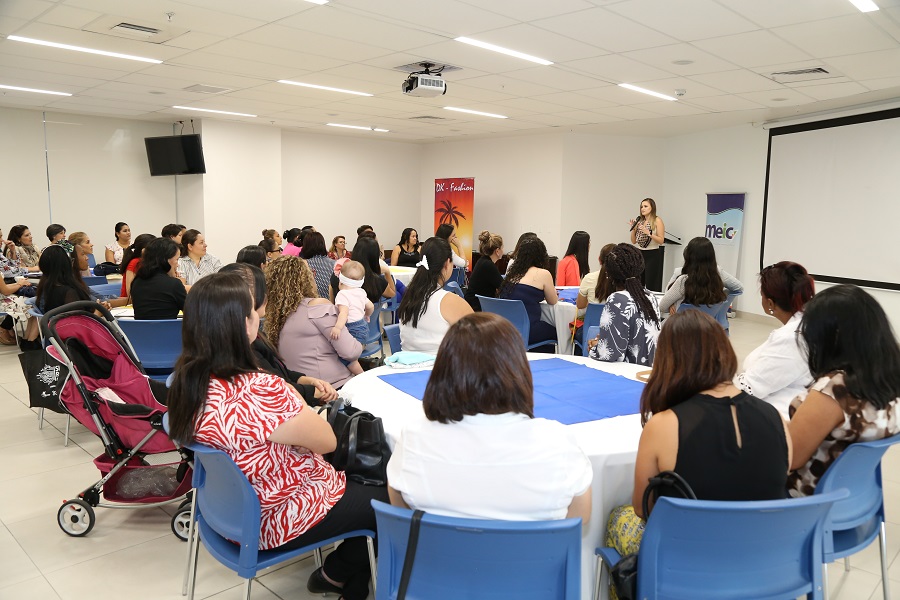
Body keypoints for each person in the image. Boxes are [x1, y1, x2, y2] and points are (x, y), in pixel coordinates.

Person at [166, 272, 386, 600]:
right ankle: (336, 573)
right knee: (388, 497)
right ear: (245, 325)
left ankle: (350, 583)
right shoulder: (261, 389)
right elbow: (327, 442)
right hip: (276, 516)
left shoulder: (186, 382)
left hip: (226, 511)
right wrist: (292, 395)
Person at [606, 310, 790, 563]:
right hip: (766, 561)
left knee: (618, 517)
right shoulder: (777, 419)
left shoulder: (664, 426)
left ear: (668, 361)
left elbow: (642, 508)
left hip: (687, 564)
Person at [387, 313, 593, 524]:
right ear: (517, 369)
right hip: (529, 556)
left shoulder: (414, 438)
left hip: (436, 556)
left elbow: (401, 511)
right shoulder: (557, 443)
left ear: (444, 369)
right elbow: (579, 520)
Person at [787, 284, 900, 497]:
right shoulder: (888, 374)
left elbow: (791, 459)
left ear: (832, 336)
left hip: (809, 500)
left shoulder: (834, 390)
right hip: (858, 495)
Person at [220, 262, 338, 406]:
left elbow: (279, 372)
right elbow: (278, 389)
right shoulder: (243, 349)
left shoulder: (255, 335)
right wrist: (313, 391)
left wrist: (309, 381)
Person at [265, 256, 362, 388]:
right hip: (333, 385)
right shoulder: (317, 307)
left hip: (300, 387)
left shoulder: (275, 315)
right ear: (306, 278)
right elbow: (350, 352)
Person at [734, 262, 815, 418]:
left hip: (776, 418)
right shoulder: (806, 323)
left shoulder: (791, 338)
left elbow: (749, 388)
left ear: (770, 303)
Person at [587, 243, 660, 365]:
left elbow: (609, 354)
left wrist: (595, 346)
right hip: (648, 372)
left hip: (626, 374)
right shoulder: (650, 296)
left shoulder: (617, 300)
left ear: (609, 275)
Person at [398, 238, 473, 353]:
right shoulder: (449, 301)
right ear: (447, 263)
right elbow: (478, 339)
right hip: (440, 368)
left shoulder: (409, 295)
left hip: (406, 366)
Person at [498, 236, 558, 350]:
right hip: (528, 331)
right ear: (541, 255)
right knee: (560, 331)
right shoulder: (543, 274)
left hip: (505, 330)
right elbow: (553, 301)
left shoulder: (512, 274)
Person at [658, 237, 743, 315]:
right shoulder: (717, 278)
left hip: (683, 327)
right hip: (709, 327)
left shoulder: (683, 280)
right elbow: (738, 288)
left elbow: (662, 306)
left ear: (688, 256)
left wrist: (671, 304)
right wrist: (723, 298)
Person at [130, 238, 187, 320]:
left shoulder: (136, 282)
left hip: (141, 332)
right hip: (169, 331)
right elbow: (191, 314)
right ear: (166, 260)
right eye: (177, 259)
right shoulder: (174, 284)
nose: (178, 265)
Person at [0, 227, 38, 345]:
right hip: (4, 291)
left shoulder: (1, 252)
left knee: (33, 298)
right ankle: (4, 328)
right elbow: (14, 272)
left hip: (7, 286)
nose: (2, 240)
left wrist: (12, 252)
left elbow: (12, 267)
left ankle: (28, 338)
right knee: (32, 302)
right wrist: (19, 284)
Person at [329, 236, 395, 304]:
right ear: (375, 257)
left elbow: (331, 287)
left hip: (340, 312)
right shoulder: (377, 281)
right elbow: (392, 293)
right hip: (370, 314)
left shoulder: (340, 273)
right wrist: (387, 272)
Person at [35, 243, 92, 313]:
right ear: (67, 265)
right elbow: (78, 322)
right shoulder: (69, 293)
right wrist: (98, 313)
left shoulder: (43, 290)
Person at [332, 260, 374, 346]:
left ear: (341, 281)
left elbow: (344, 313)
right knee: (357, 347)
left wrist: (337, 328)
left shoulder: (342, 294)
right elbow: (370, 306)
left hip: (351, 329)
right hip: (363, 327)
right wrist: (367, 315)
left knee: (342, 351)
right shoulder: (361, 292)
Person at [629, 198, 665, 292]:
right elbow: (633, 241)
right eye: (641, 207)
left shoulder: (657, 220)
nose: (642, 209)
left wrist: (649, 233)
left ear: (652, 207)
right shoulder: (640, 221)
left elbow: (661, 240)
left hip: (652, 254)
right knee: (638, 283)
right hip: (639, 254)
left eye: (645, 206)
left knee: (651, 284)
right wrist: (634, 228)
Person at [464, 230, 504, 312]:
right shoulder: (488, 265)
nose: (503, 250)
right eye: (502, 248)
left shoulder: (483, 261)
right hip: (477, 308)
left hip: (473, 304)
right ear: (497, 251)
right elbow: (503, 287)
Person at [118, 234, 156, 299]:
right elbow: (130, 292)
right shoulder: (135, 263)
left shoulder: (150, 262)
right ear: (144, 250)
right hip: (129, 303)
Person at [300, 231, 336, 300]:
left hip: (310, 305)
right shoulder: (335, 264)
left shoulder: (302, 264)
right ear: (323, 244)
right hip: (330, 304)